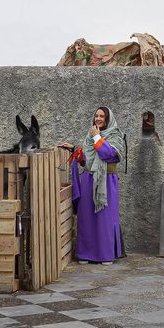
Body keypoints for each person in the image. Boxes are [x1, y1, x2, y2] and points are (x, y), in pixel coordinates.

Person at [60, 107, 123, 263]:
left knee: (104, 219)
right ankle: (85, 254)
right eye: (96, 116)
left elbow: (108, 154)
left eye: (102, 116)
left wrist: (97, 138)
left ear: (108, 119)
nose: (98, 119)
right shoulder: (90, 136)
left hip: (106, 182)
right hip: (89, 180)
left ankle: (105, 255)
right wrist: (75, 151)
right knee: (86, 217)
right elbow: (87, 161)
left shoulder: (115, 136)